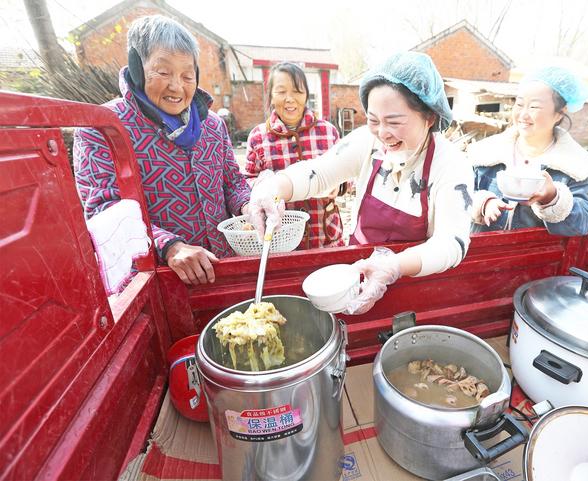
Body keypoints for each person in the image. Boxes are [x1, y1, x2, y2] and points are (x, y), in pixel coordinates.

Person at [246, 52, 474, 314]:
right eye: (373, 120)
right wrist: (274, 187)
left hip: (415, 288)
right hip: (355, 279)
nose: (382, 133)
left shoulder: (450, 164)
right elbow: (319, 172)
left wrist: (394, 266)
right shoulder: (368, 141)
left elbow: (451, 243)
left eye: (394, 122)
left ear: (430, 117)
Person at [73, 15, 250, 286]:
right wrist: (169, 246)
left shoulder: (213, 125)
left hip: (221, 269)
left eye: (187, 75)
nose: (176, 86)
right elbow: (104, 210)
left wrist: (248, 205)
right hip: (156, 282)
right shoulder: (104, 128)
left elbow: (232, 182)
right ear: (137, 67)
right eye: (164, 72)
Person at [467, 66, 588, 235]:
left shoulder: (576, 166)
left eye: (534, 107)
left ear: (559, 113)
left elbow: (583, 223)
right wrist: (483, 202)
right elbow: (456, 194)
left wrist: (553, 198)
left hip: (535, 252)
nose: (523, 114)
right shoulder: (485, 153)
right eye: (519, 104)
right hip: (482, 250)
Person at [245, 62, 344, 249]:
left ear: (306, 95)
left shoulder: (328, 131)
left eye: (298, 91)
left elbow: (347, 171)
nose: (290, 99)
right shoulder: (258, 136)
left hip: (325, 236)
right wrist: (263, 183)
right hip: (281, 239)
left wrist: (339, 185)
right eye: (281, 92)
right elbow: (247, 179)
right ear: (271, 96)